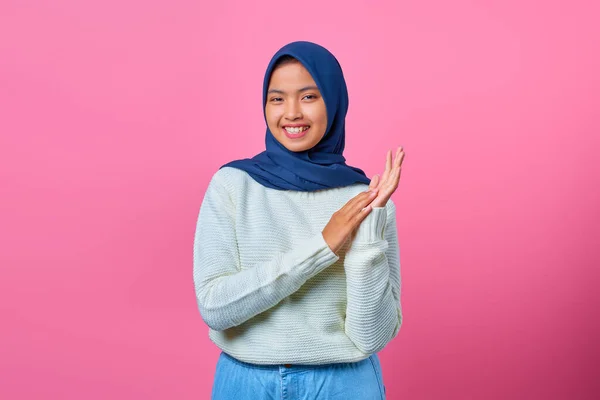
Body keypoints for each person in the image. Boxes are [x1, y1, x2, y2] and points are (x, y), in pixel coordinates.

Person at [193, 41, 405, 400]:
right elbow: (215, 307)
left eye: (308, 97)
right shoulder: (232, 185)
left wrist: (368, 232)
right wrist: (323, 246)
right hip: (246, 382)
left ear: (334, 102)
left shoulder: (367, 197)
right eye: (277, 99)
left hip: (345, 383)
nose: (291, 113)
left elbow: (371, 336)